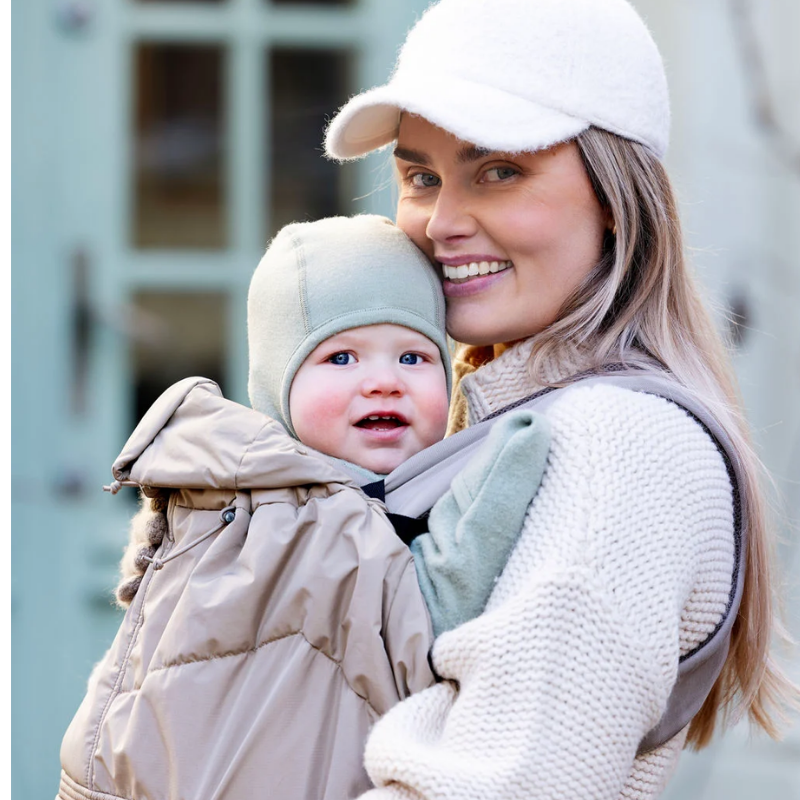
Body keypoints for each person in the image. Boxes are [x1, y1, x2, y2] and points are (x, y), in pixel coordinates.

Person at [323, 0, 799, 798]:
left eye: (499, 171)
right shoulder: (504, 415)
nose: (442, 221)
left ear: (615, 195)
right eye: (421, 177)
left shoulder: (622, 445)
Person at [57, 214, 550, 800]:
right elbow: (415, 635)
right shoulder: (278, 515)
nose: (384, 382)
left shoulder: (391, 498)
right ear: (277, 386)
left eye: (414, 358)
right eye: (341, 358)